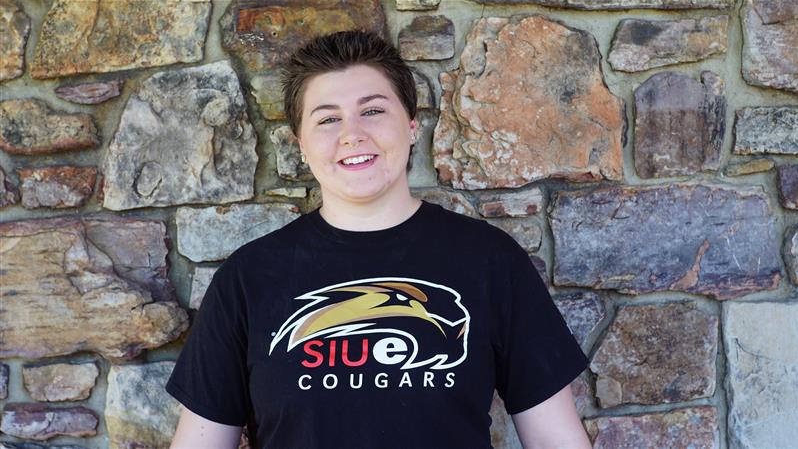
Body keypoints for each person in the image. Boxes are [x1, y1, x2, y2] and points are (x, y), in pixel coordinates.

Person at [167, 30, 591, 448]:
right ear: (301, 146)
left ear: (411, 125)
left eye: (372, 111)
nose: (352, 134)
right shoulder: (248, 278)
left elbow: (555, 440)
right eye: (328, 119)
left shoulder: (490, 260)